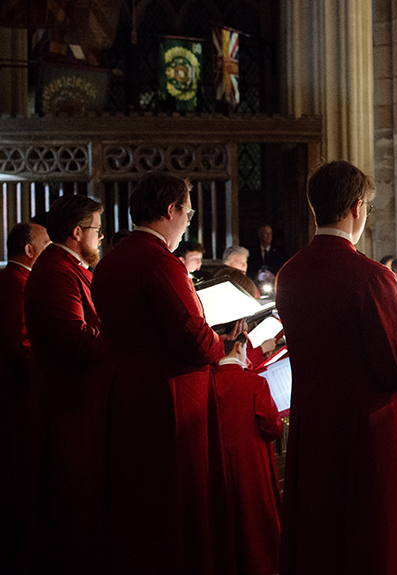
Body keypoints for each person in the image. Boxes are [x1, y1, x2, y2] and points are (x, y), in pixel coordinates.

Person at [275, 160, 397, 575]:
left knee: (320, 537)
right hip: (366, 429)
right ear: (357, 207)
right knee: (373, 539)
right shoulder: (371, 276)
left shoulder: (289, 274)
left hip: (312, 425)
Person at [92, 172, 242, 575]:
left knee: (136, 502)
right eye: (188, 214)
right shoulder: (161, 262)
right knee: (175, 502)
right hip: (168, 398)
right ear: (171, 210)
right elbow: (194, 339)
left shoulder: (110, 261)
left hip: (124, 391)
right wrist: (222, 343)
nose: (188, 223)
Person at [22, 195, 108, 574]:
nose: (101, 237)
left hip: (79, 401)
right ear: (77, 232)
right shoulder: (56, 271)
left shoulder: (68, 266)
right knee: (73, 509)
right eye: (96, 229)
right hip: (69, 405)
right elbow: (75, 339)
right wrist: (127, 335)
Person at [0, 222, 50, 574]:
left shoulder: (19, 279)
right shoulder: (14, 283)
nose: (52, 247)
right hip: (17, 394)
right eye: (46, 243)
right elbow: (20, 344)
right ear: (29, 250)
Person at [214, 333, 283, 574]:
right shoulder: (254, 383)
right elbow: (272, 427)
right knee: (257, 524)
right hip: (252, 463)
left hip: (220, 467)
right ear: (239, 348)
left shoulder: (209, 381)